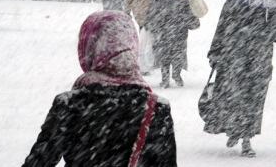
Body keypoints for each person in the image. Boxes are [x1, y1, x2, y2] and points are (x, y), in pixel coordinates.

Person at [21, 11, 177, 167]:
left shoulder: (70, 104)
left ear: (89, 47)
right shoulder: (156, 107)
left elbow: (38, 163)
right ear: (132, 46)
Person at [204, 0, 276, 157]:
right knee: (247, 101)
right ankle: (241, 134)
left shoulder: (238, 2)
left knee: (244, 100)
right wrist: (215, 52)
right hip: (248, 61)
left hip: (243, 61)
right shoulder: (263, 4)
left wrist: (215, 52)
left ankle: (243, 136)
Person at [145, 0, 205, 88]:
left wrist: (150, 17)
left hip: (165, 18)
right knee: (179, 47)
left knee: (164, 47)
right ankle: (177, 75)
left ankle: (165, 78)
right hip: (181, 18)